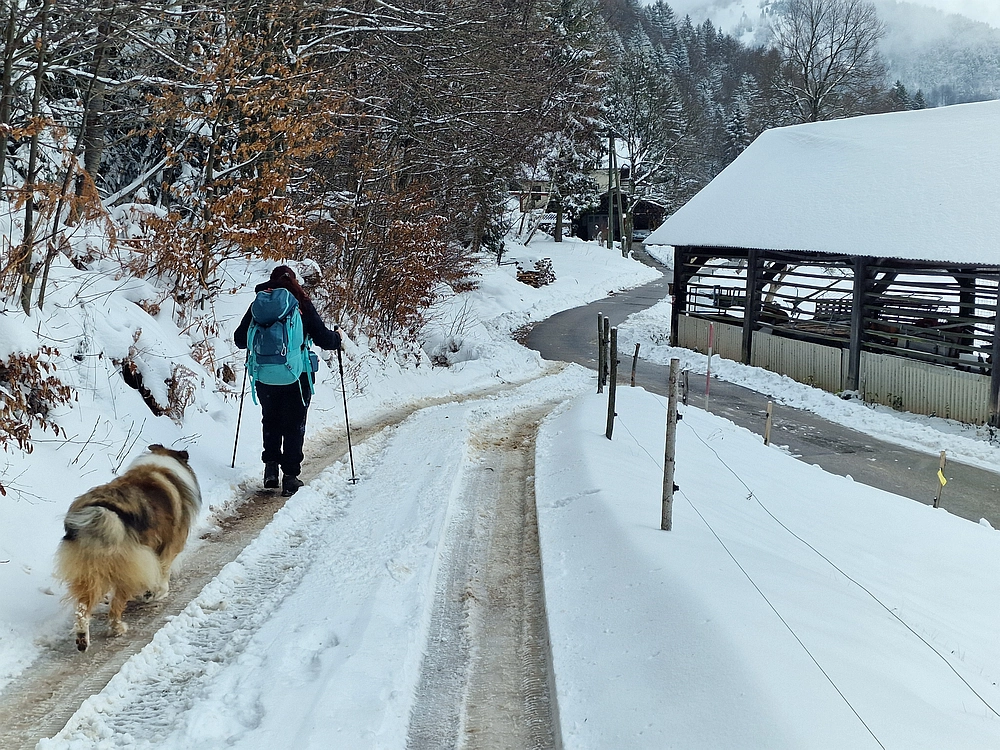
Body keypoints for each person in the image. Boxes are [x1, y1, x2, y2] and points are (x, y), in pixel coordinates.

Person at [235, 265, 342, 496]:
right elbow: (324, 338)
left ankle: (271, 470)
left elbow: (239, 340)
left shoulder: (259, 304)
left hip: (265, 376)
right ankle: (290, 477)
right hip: (297, 376)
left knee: (270, 420)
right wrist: (337, 338)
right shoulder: (301, 303)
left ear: (271, 281)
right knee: (294, 425)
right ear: (294, 281)